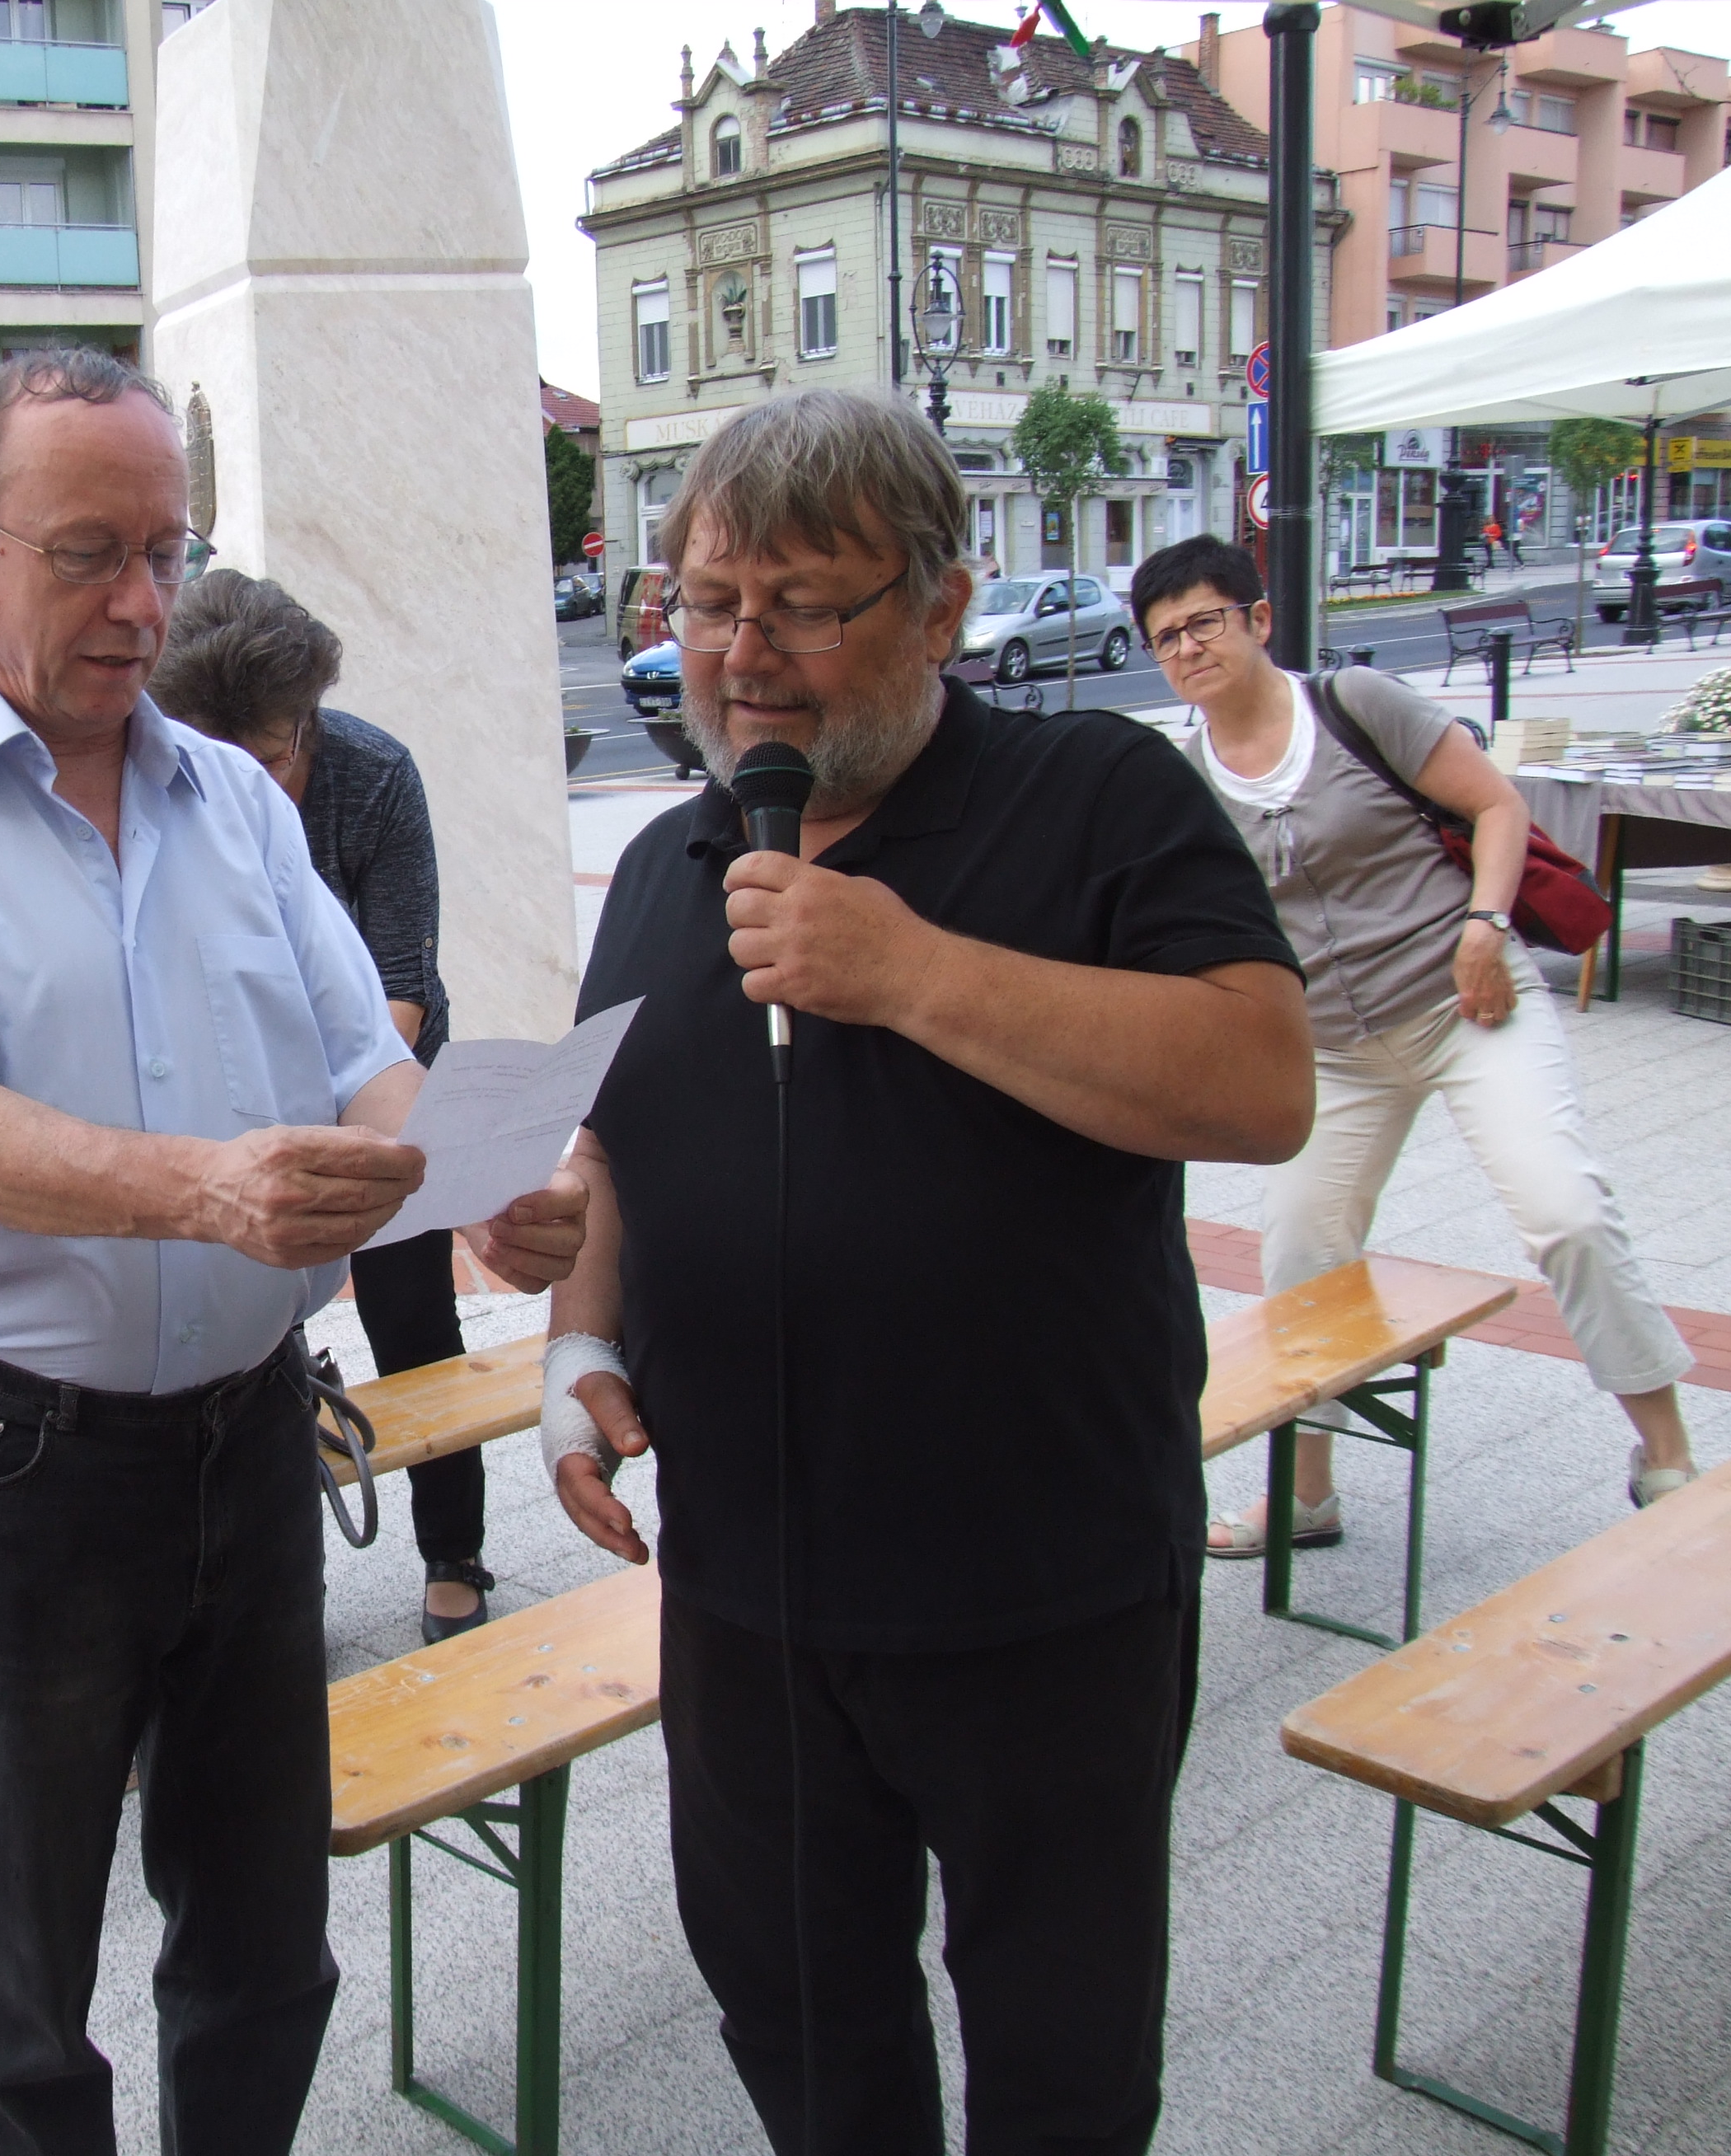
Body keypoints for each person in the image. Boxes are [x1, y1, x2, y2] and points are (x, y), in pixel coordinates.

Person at [0, 351, 589, 2156]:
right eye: (89, 553)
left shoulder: (232, 797)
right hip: (9, 1448)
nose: (143, 603)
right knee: (19, 1982)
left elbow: (362, 1054)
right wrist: (206, 1191)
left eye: (167, 550)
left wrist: (474, 1181)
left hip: (247, 1431)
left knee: (264, 1939)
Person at [542, 388, 1314, 2154]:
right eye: (709, 603)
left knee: (1058, 2061)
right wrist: (575, 1347)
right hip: (743, 1597)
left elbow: (1262, 1084)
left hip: (1039, 1597)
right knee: (800, 2029)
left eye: (806, 606)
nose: (746, 656)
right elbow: (622, 1154)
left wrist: (911, 974)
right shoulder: (668, 861)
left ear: (942, 608)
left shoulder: (1096, 794)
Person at [1136, 532, 1698, 1544]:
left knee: (1564, 1213)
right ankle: (1305, 1494)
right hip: (1332, 1054)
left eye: (1204, 622)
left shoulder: (1351, 704)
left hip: (1465, 1006)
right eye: (1165, 637)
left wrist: (1483, 926)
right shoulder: (1186, 779)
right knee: (1299, 1254)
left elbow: (1495, 805)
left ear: (1257, 620)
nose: (1187, 648)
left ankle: (1665, 1454)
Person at [149, 569, 494, 1643]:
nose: (235, 791)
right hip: (224, 1103)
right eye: (207, 760)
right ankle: (267, 1571)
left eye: (264, 764)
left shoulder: (373, 774)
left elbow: (395, 999)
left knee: (416, 1322)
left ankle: (454, 1552)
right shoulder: (151, 782)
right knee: (244, 1347)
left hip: (378, 1089)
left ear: (305, 723)